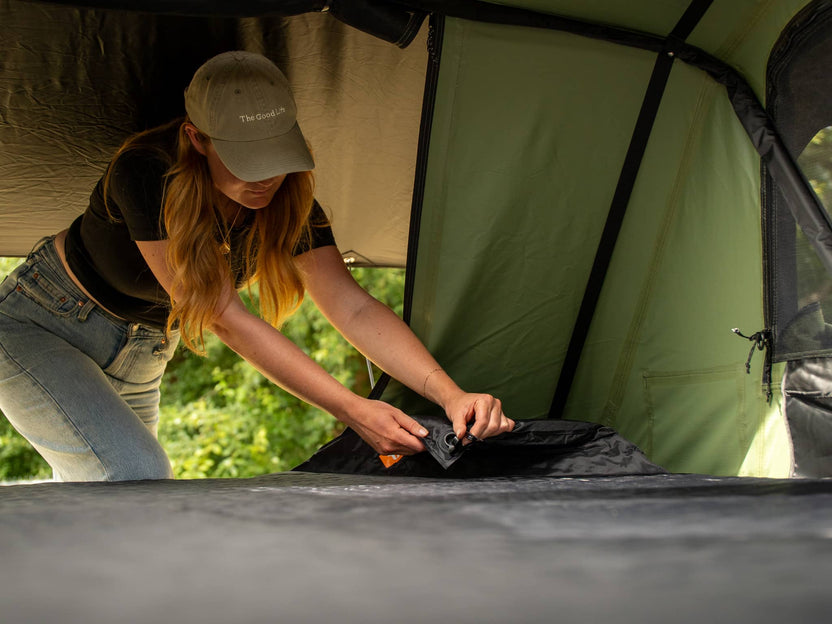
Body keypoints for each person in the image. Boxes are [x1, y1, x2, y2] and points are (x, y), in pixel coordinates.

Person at [0, 50, 513, 482]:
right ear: (196, 139)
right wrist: (353, 411)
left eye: (276, 154)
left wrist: (451, 393)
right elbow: (225, 316)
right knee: (134, 475)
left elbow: (353, 308)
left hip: (144, 352)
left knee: (123, 496)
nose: (265, 177)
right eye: (246, 159)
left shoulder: (289, 200)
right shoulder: (148, 172)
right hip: (41, 323)